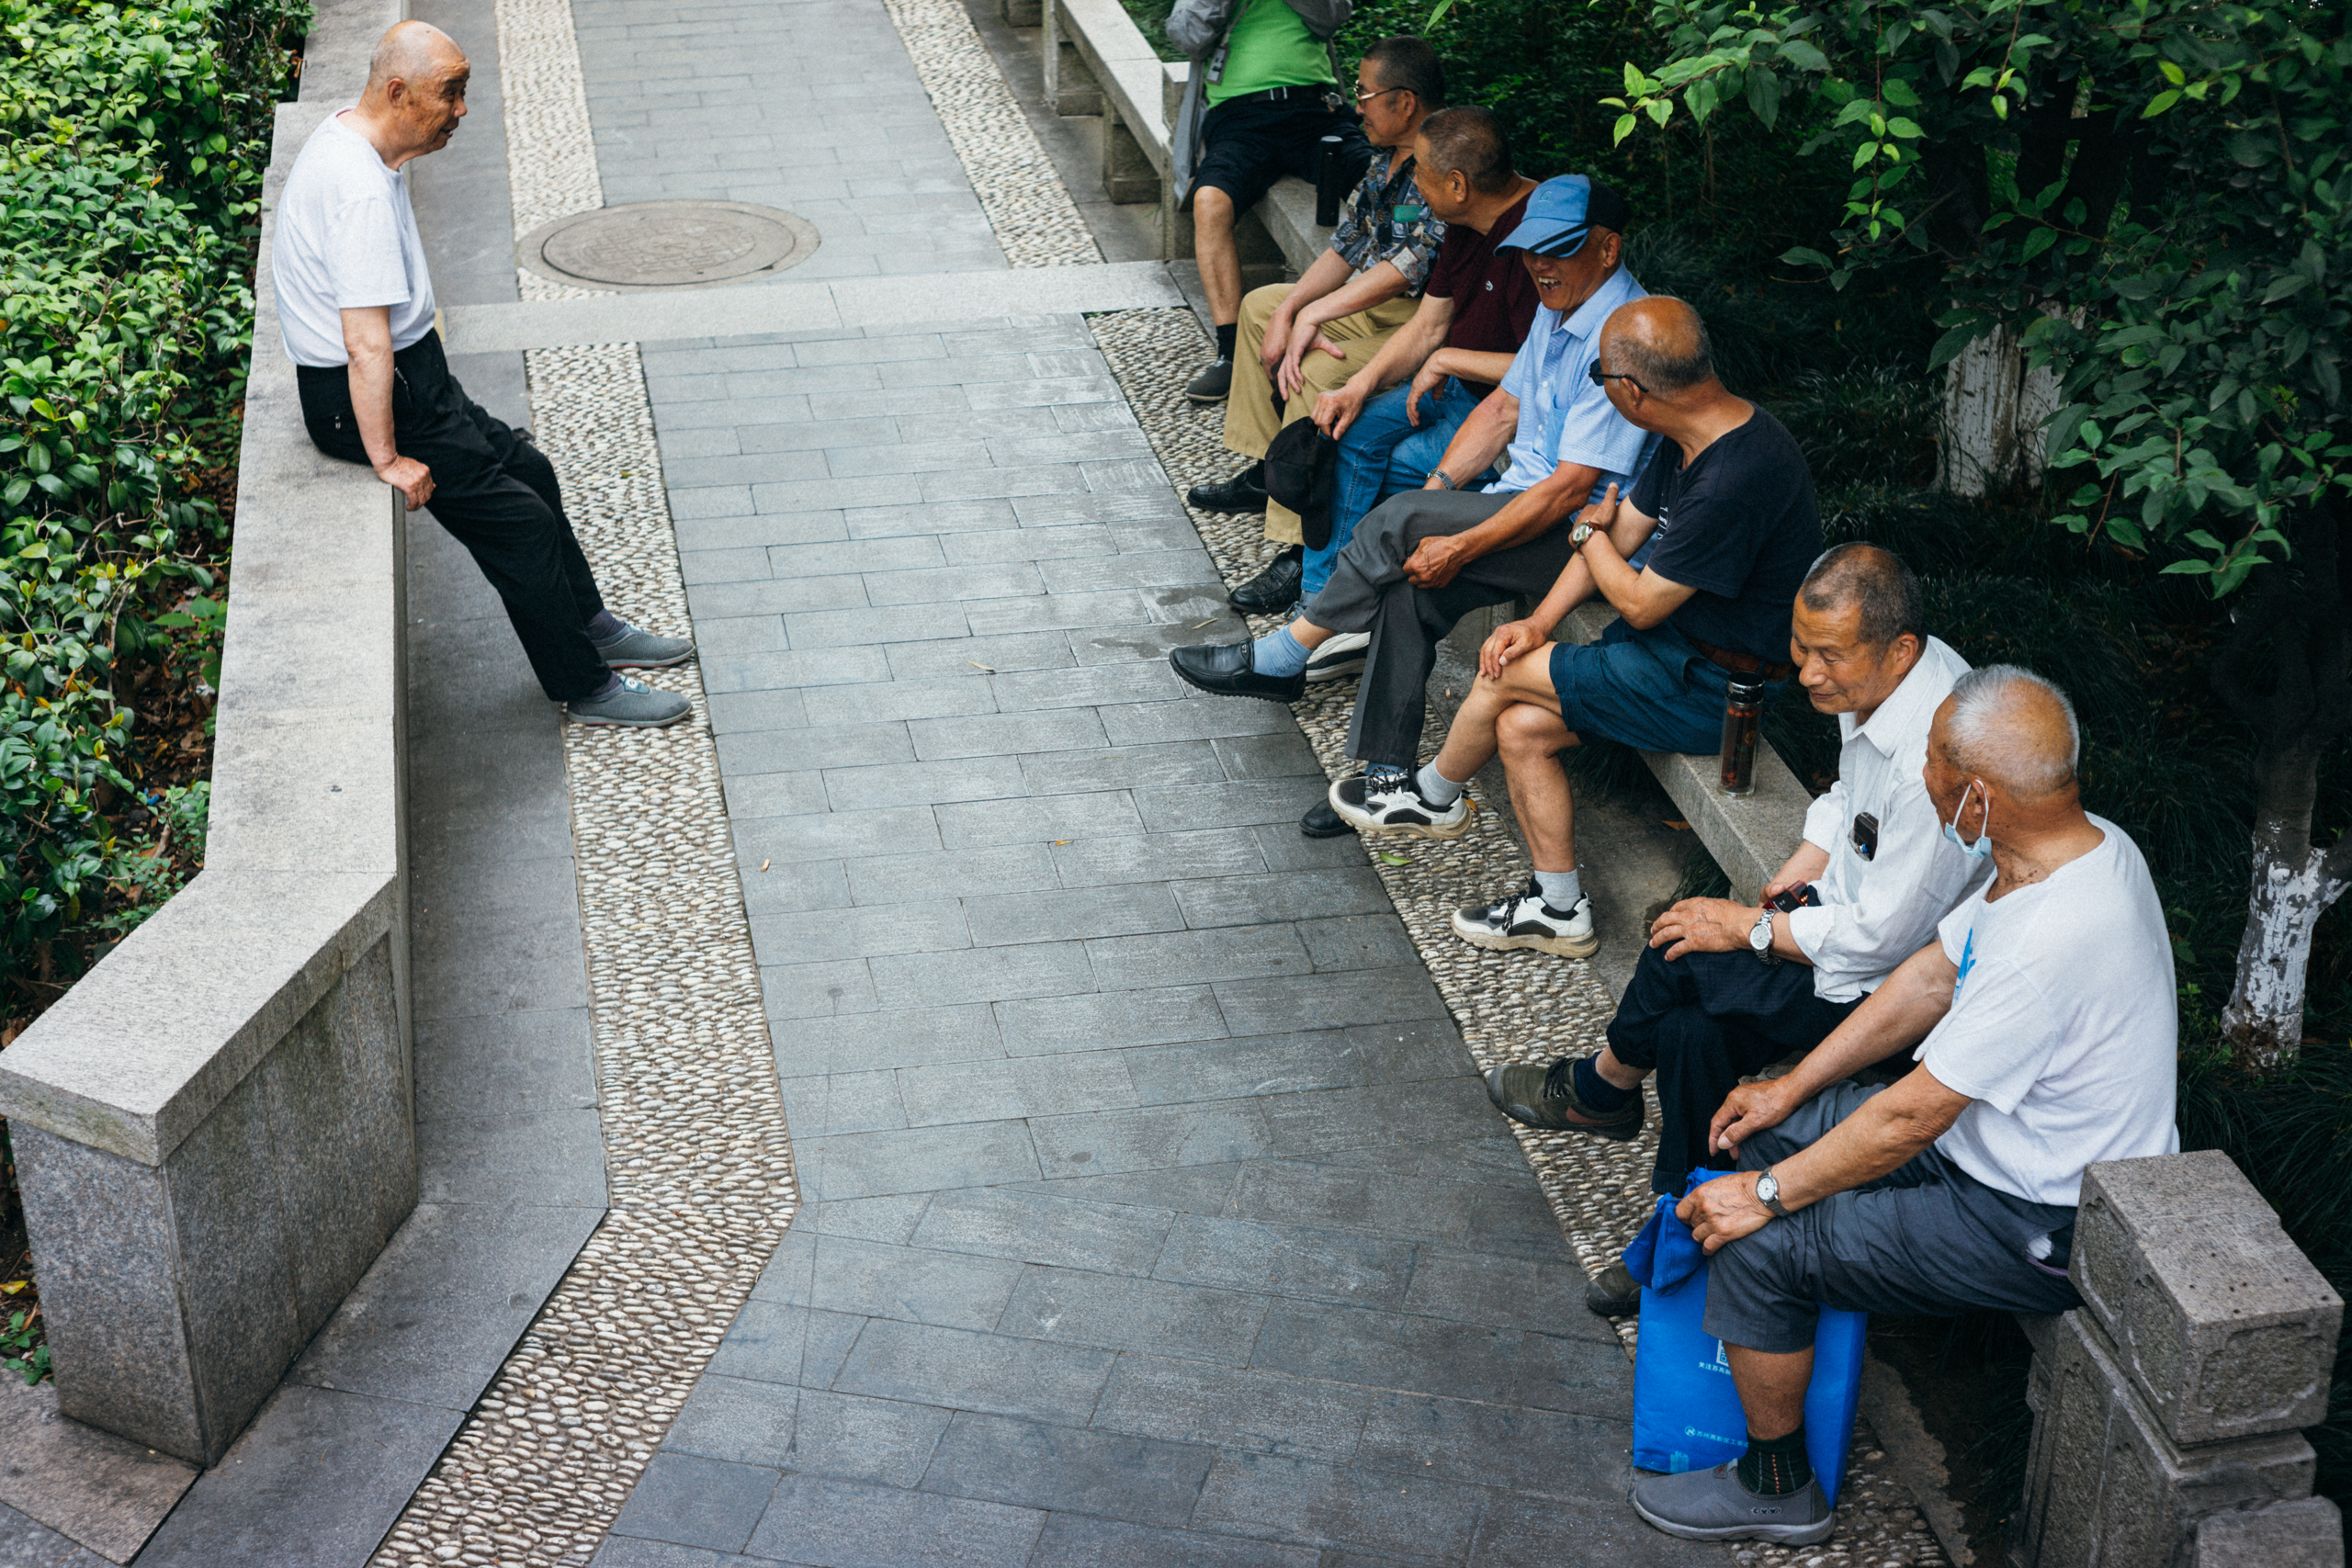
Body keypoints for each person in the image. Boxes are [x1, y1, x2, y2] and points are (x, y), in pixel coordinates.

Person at [1625, 666, 2178, 1546]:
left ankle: (1778, 1487)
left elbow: (1910, 1115)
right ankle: (1780, 1339)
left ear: (1979, 797)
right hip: (1984, 1144)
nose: (1922, 777)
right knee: (1757, 1134)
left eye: (1934, 763)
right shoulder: (2072, 847)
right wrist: (1789, 1088)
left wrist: (1765, 1199)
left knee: (1761, 1243)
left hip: (2037, 1213)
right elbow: (1930, 978)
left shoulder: (2055, 936)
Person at [1484, 545, 1989, 1316]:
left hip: (1884, 984)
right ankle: (1681, 1227)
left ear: (1900, 650)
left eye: (1827, 656)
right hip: (1842, 924)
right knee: (1691, 1034)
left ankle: (1602, 1088)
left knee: (1678, 950)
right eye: (1800, 647)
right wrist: (1801, 867)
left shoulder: (1933, 750)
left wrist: (1747, 927)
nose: (1807, 673)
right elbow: (1845, 798)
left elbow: (1879, 943)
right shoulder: (1874, 676)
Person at [1168, 175, 1657, 845]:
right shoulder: (1562, 305)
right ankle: (1389, 781)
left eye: (1559, 249)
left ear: (1607, 249)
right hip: (1526, 504)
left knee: (1401, 522)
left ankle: (1286, 655)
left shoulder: (1625, 333)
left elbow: (1570, 490)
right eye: (1531, 249)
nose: (1540, 264)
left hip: (1588, 540)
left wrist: (1452, 537)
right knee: (1409, 587)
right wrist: (1440, 492)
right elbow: (1503, 408)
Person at [1326, 295, 1818, 958]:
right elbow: (1626, 531)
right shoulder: (1693, 435)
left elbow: (1637, 599)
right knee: (1520, 728)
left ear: (1632, 390)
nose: (1599, 388)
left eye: (1598, 377)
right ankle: (1559, 909)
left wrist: (1587, 532)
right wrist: (1540, 620)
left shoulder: (1733, 476)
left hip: (1716, 690)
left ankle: (1434, 797)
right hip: (1673, 652)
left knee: (1501, 675)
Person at [275, 21, 693, 728]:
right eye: (451, 93)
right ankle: (586, 687)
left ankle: (591, 626)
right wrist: (387, 458)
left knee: (530, 470)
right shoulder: (357, 189)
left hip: (414, 378)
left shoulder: (358, 142)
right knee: (520, 525)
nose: (462, 110)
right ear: (398, 93)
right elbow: (366, 345)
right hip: (373, 397)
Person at [1185, 37, 1447, 615]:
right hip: (1370, 303)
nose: (1356, 106)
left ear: (1405, 102)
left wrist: (1315, 314)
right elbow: (1348, 245)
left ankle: (1299, 545)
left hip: (1419, 320)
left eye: (1365, 95)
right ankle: (1268, 468)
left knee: (1314, 370)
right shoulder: (1386, 157)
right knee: (1260, 307)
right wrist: (1291, 310)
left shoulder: (1443, 159)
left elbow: (1409, 268)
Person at [1287, 105, 1539, 682]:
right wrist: (1358, 386)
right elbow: (1427, 326)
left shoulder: (1536, 241)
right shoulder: (1462, 224)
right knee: (1339, 429)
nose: (1414, 186)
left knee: (1389, 477)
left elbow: (1542, 373)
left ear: (1458, 184)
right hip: (1452, 392)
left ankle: (1343, 617)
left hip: (1503, 418)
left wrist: (1449, 359)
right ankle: (1322, 605)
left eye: (1421, 173)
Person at [1165, 0, 1371, 409]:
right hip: (1239, 117)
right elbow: (1186, 36)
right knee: (1209, 201)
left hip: (1315, 109)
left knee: (1377, 182)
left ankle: (1395, 316)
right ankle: (1229, 352)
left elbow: (1333, 16)